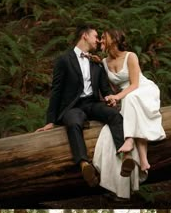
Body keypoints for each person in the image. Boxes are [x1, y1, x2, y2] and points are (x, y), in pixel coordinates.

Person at [36, 24, 134, 187]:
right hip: (72, 107)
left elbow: (105, 88)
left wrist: (111, 98)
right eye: (96, 36)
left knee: (114, 115)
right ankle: (84, 165)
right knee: (74, 123)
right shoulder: (64, 60)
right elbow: (56, 91)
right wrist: (50, 121)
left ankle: (126, 157)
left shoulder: (96, 63)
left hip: (93, 104)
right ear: (85, 36)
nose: (98, 40)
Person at [93, 29, 165, 198]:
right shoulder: (104, 62)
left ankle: (130, 140)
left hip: (142, 90)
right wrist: (112, 99)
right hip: (126, 98)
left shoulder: (130, 56)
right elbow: (109, 88)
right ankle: (143, 161)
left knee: (131, 99)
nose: (100, 40)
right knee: (127, 108)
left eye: (103, 37)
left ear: (115, 39)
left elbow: (134, 84)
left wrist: (118, 97)